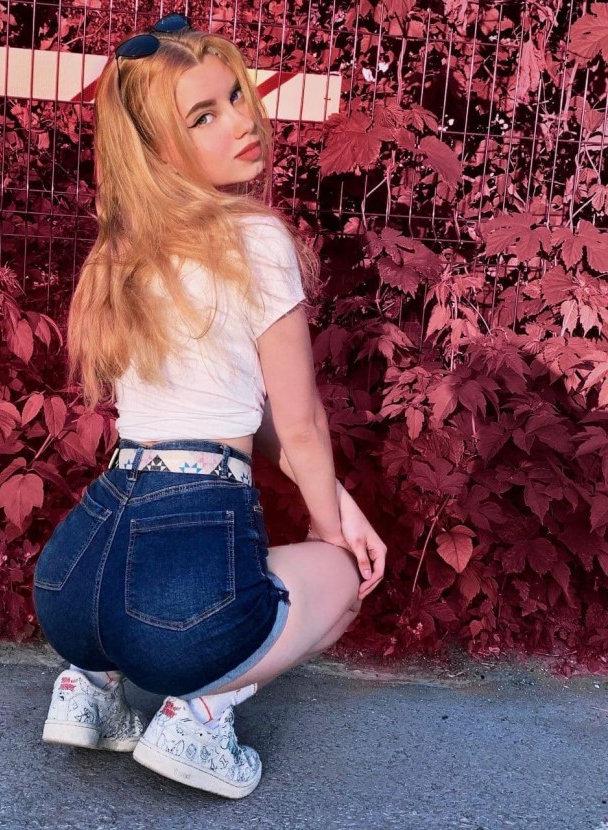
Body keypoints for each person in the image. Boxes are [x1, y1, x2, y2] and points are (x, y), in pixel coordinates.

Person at [33, 13, 387, 799]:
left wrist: (342, 502)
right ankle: (198, 717)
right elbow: (299, 422)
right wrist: (333, 538)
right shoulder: (254, 237)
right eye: (203, 116)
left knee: (148, 607)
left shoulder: (120, 252)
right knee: (339, 582)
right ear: (160, 148)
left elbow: (236, 416)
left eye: (234, 97)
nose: (241, 122)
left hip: (71, 581)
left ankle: (88, 691)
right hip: (178, 581)